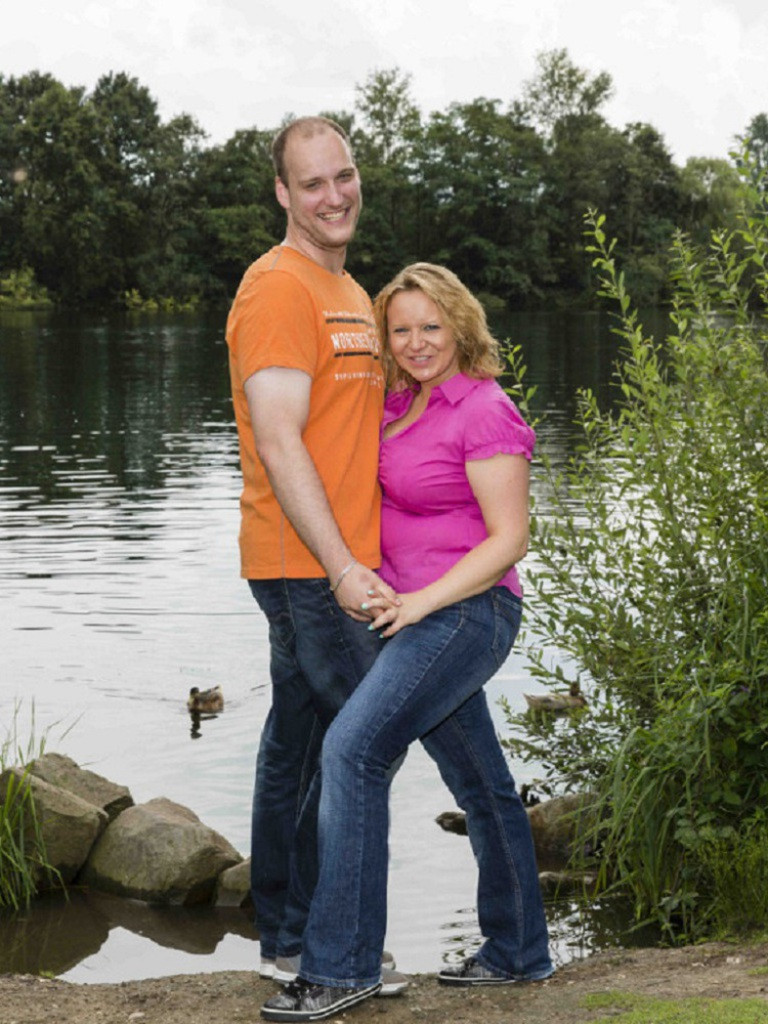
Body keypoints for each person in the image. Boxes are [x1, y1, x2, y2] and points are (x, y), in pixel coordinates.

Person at [262, 263, 554, 1022]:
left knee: (352, 751)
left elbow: (511, 538)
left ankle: (340, 968)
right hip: (413, 617)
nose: (418, 342)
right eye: (402, 329)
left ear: (461, 325)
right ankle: (518, 951)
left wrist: (421, 600)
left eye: (432, 326)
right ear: (385, 340)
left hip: (466, 613)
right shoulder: (398, 404)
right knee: (483, 785)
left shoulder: (485, 409)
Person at [225, 116, 405, 990]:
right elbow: (281, 438)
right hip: (306, 561)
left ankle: (289, 935)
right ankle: (330, 948)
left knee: (301, 741)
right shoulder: (276, 289)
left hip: (341, 561)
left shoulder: (350, 291)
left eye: (345, 176)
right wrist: (338, 565)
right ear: (283, 195)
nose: (335, 196)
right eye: (313, 183)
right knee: (361, 744)